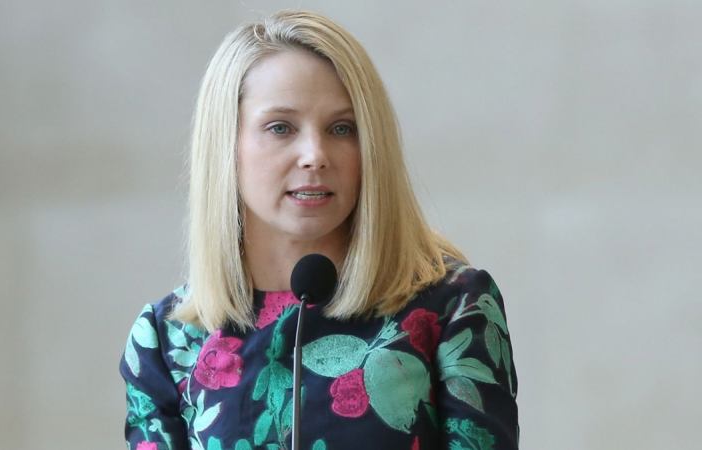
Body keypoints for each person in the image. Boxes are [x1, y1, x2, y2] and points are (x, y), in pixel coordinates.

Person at [120, 10, 518, 450]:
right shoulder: (165, 341)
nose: (315, 155)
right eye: (280, 127)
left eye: (341, 128)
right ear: (226, 145)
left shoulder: (454, 307)